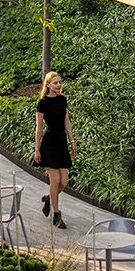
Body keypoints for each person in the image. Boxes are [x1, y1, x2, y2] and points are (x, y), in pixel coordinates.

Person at [34, 70, 76, 229]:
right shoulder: (42, 103)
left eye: (60, 82)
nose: (59, 85)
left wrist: (72, 141)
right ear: (48, 85)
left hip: (62, 144)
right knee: (55, 180)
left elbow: (67, 122)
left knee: (64, 182)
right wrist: (36, 149)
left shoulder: (62, 100)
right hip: (49, 144)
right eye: (55, 82)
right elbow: (38, 128)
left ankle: (48, 198)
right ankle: (57, 215)